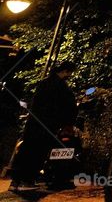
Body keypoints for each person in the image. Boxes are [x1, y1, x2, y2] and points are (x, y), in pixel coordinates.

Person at [8, 61, 78, 190]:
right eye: (70, 72)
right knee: (38, 152)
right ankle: (27, 180)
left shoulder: (44, 83)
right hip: (47, 124)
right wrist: (66, 122)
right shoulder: (60, 86)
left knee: (26, 149)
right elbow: (67, 106)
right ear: (65, 71)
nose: (70, 75)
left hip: (34, 122)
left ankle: (16, 181)